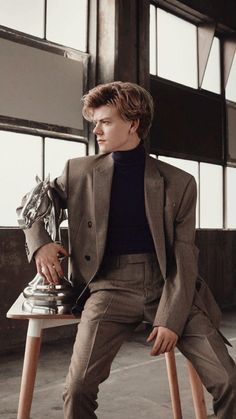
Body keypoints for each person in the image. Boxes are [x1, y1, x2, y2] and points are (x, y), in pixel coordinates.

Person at [23, 81, 236, 418]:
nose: (96, 130)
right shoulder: (77, 171)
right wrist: (41, 245)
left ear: (133, 123)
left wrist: (170, 318)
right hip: (106, 287)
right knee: (77, 388)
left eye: (105, 122)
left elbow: (183, 256)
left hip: (169, 287)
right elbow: (33, 204)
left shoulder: (179, 183)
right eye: (95, 122)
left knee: (229, 381)